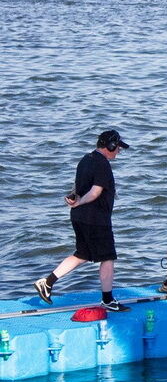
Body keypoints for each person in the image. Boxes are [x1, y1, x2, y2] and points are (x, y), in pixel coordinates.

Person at [33, 130, 132, 312]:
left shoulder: (85, 159)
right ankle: (108, 300)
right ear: (110, 146)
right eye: (118, 147)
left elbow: (77, 187)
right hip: (95, 219)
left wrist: (73, 199)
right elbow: (94, 192)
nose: (119, 151)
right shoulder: (102, 164)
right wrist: (79, 200)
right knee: (108, 257)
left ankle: (47, 283)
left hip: (79, 217)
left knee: (82, 254)